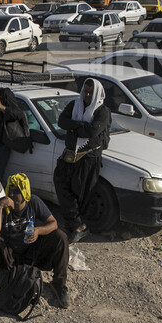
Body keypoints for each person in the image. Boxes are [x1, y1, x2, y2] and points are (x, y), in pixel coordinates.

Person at [0, 173, 71, 309]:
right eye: (10, 190)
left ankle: (59, 284)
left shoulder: (34, 202)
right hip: (8, 254)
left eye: (16, 191)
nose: (11, 194)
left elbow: (53, 223)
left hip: (31, 251)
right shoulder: (0, 205)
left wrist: (38, 231)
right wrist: (0, 207)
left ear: (24, 193)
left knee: (60, 236)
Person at [53, 78, 110, 244]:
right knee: (62, 185)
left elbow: (92, 132)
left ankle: (78, 227)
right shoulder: (75, 105)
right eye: (85, 91)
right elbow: (62, 121)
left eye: (90, 92)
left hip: (88, 158)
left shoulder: (102, 111)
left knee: (81, 192)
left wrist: (73, 127)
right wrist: (80, 125)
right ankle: (77, 225)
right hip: (70, 154)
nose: (86, 95)